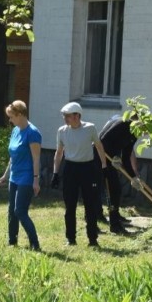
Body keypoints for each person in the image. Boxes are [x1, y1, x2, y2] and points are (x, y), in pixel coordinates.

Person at [51, 102, 108, 247]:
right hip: (70, 168)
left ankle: (92, 239)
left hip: (87, 169)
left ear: (77, 116)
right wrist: (55, 173)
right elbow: (59, 152)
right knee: (70, 205)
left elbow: (99, 146)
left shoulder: (90, 128)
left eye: (68, 116)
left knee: (90, 204)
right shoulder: (62, 131)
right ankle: (71, 238)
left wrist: (104, 166)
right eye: (64, 116)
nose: (65, 119)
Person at [0, 100, 41, 251]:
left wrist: (36, 180)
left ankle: (35, 244)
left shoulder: (33, 133)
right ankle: (12, 241)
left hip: (27, 177)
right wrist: (5, 175)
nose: (10, 120)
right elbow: (12, 157)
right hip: (14, 177)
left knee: (20, 211)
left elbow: (36, 158)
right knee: (11, 211)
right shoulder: (15, 131)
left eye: (12, 116)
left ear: (20, 114)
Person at [98, 113, 143, 235]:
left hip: (111, 159)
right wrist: (111, 158)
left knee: (116, 190)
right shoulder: (121, 124)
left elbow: (127, 157)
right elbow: (102, 141)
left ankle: (115, 219)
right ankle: (113, 225)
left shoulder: (134, 133)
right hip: (100, 157)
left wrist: (133, 177)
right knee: (110, 190)